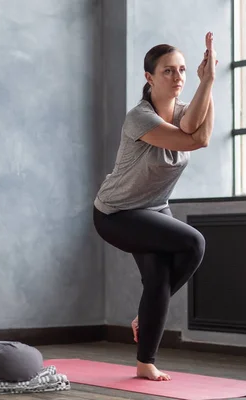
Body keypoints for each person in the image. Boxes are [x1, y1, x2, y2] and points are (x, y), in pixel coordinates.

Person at [92, 32, 217, 381]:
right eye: (168, 71)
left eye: (182, 71)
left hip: (154, 208)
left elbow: (197, 129)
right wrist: (205, 83)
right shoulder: (139, 118)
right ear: (149, 77)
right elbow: (194, 136)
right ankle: (146, 325)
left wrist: (208, 82)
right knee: (194, 243)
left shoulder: (183, 110)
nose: (178, 78)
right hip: (116, 213)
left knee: (158, 279)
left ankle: (145, 361)